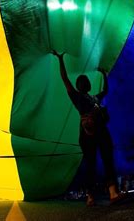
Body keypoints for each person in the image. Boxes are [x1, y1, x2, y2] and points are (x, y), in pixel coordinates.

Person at [52, 51, 124, 206]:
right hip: (88, 134)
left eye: (85, 80)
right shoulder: (77, 97)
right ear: (78, 86)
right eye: (81, 81)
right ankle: (91, 195)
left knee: (107, 159)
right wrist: (60, 60)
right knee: (91, 164)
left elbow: (105, 90)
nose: (84, 82)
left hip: (101, 131)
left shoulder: (95, 98)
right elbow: (64, 79)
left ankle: (112, 192)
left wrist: (104, 74)